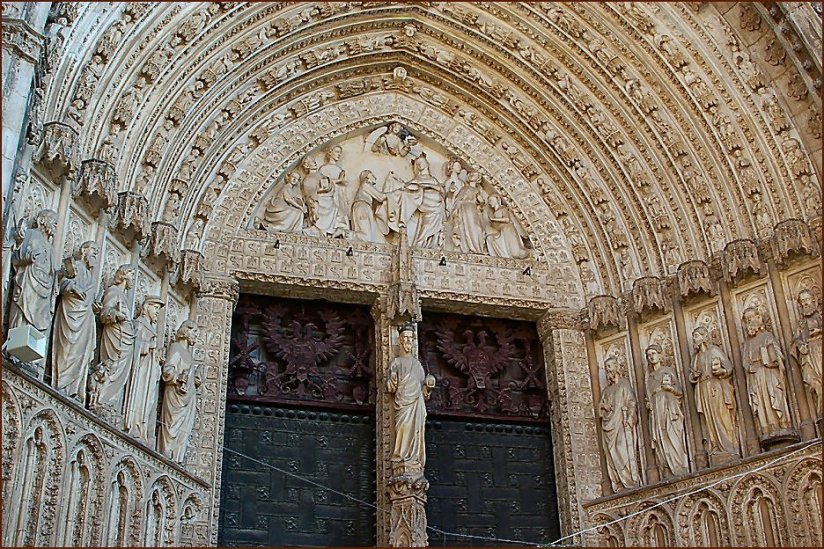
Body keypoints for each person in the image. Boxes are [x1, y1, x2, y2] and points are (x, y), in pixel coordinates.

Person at [7, 209, 59, 374]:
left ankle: (31, 360)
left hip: (43, 293)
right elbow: (16, 257)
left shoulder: (51, 249)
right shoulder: (31, 235)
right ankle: (14, 352)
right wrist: (28, 257)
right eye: (54, 222)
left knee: (38, 325)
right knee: (21, 315)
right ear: (43, 220)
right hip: (28, 284)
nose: (56, 226)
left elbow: (53, 273)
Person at [52, 241, 99, 403]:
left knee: (81, 353)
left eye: (97, 253)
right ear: (84, 250)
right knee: (67, 348)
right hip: (71, 313)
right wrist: (73, 287)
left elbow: (90, 298)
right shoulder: (75, 267)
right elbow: (61, 282)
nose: (95, 255)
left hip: (85, 319)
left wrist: (95, 307)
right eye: (93, 251)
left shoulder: (91, 277)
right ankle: (61, 384)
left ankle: (74, 389)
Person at [386, 322, 435, 473]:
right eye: (405, 337)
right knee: (403, 427)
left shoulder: (417, 365)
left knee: (414, 430)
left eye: (410, 338)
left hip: (416, 405)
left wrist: (428, 386)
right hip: (402, 404)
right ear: (400, 340)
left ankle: (413, 459)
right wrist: (393, 378)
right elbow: (391, 388)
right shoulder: (396, 363)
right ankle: (401, 458)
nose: (408, 341)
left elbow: (423, 392)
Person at [740, 307, 792, 440]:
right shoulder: (747, 343)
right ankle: (767, 429)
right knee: (762, 403)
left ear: (758, 318)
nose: (750, 321)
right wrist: (749, 366)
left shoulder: (767, 336)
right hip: (755, 376)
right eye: (747, 319)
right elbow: (744, 362)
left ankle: (783, 425)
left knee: (774, 397)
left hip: (769, 372)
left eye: (751, 317)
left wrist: (771, 360)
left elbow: (778, 355)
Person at [689, 326, 739, 458]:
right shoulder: (696, 357)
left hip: (716, 387)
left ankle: (728, 446)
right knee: (709, 419)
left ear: (704, 337)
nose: (694, 339)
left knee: (721, 415)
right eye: (694, 337)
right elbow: (693, 373)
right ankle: (714, 445)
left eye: (697, 336)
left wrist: (721, 371)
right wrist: (694, 376)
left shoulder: (714, 351)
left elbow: (728, 368)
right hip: (703, 389)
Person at [123, 295, 165, 445]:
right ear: (146, 307)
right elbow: (136, 348)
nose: (157, 312)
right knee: (139, 395)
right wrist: (150, 347)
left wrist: (157, 358)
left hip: (149, 371)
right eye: (155, 308)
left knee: (148, 402)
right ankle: (134, 425)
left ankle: (142, 428)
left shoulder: (150, 328)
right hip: (140, 371)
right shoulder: (139, 324)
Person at [96, 264, 136, 415]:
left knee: (119, 370)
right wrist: (116, 315)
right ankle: (100, 400)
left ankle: (109, 402)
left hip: (125, 338)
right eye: (131, 273)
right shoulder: (113, 291)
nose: (133, 278)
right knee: (111, 366)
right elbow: (105, 312)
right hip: (115, 336)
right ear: (124, 274)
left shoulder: (124, 296)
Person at [159, 320, 201, 462]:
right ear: (185, 331)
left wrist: (193, 381)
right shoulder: (176, 348)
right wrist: (178, 378)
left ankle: (176, 457)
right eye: (194, 331)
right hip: (175, 395)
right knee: (171, 426)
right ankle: (166, 454)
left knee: (183, 429)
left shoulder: (188, 354)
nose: (196, 335)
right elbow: (168, 370)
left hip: (187, 397)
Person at [645, 344, 689, 476]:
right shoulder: (649, 378)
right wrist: (649, 404)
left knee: (672, 434)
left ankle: (678, 466)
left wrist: (670, 389)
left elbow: (679, 391)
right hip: (656, 411)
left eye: (653, 353)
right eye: (649, 355)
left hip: (669, 408)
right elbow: (648, 396)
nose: (651, 357)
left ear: (660, 355)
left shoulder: (668, 371)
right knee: (660, 437)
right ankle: (665, 469)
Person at [599, 353, 641, 492]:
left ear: (616, 367)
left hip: (622, 423)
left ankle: (629, 480)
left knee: (621, 447)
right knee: (612, 452)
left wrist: (630, 416)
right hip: (609, 425)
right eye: (606, 367)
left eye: (610, 366)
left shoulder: (624, 384)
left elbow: (631, 401)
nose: (608, 370)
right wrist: (603, 407)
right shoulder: (606, 391)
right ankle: (618, 482)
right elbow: (600, 408)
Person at [449, 171, 487, 254]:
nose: (472, 175)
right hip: (465, 209)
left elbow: (481, 201)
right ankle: (469, 247)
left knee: (476, 227)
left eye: (474, 175)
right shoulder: (465, 188)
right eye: (471, 174)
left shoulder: (476, 190)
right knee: (466, 226)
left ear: (478, 179)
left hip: (473, 209)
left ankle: (477, 248)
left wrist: (481, 204)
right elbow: (458, 200)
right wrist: (456, 211)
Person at [485, 194, 529, 259]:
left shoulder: (503, 209)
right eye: (489, 201)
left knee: (515, 252)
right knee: (489, 238)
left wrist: (493, 219)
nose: (489, 203)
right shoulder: (493, 213)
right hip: (500, 232)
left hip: (506, 230)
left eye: (491, 200)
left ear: (497, 200)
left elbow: (507, 219)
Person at [350, 170, 389, 243]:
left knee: (377, 239)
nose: (375, 177)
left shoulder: (365, 185)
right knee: (366, 236)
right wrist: (394, 194)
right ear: (366, 176)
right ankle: (345, 233)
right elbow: (381, 197)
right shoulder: (366, 183)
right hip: (363, 207)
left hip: (365, 207)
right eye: (372, 175)